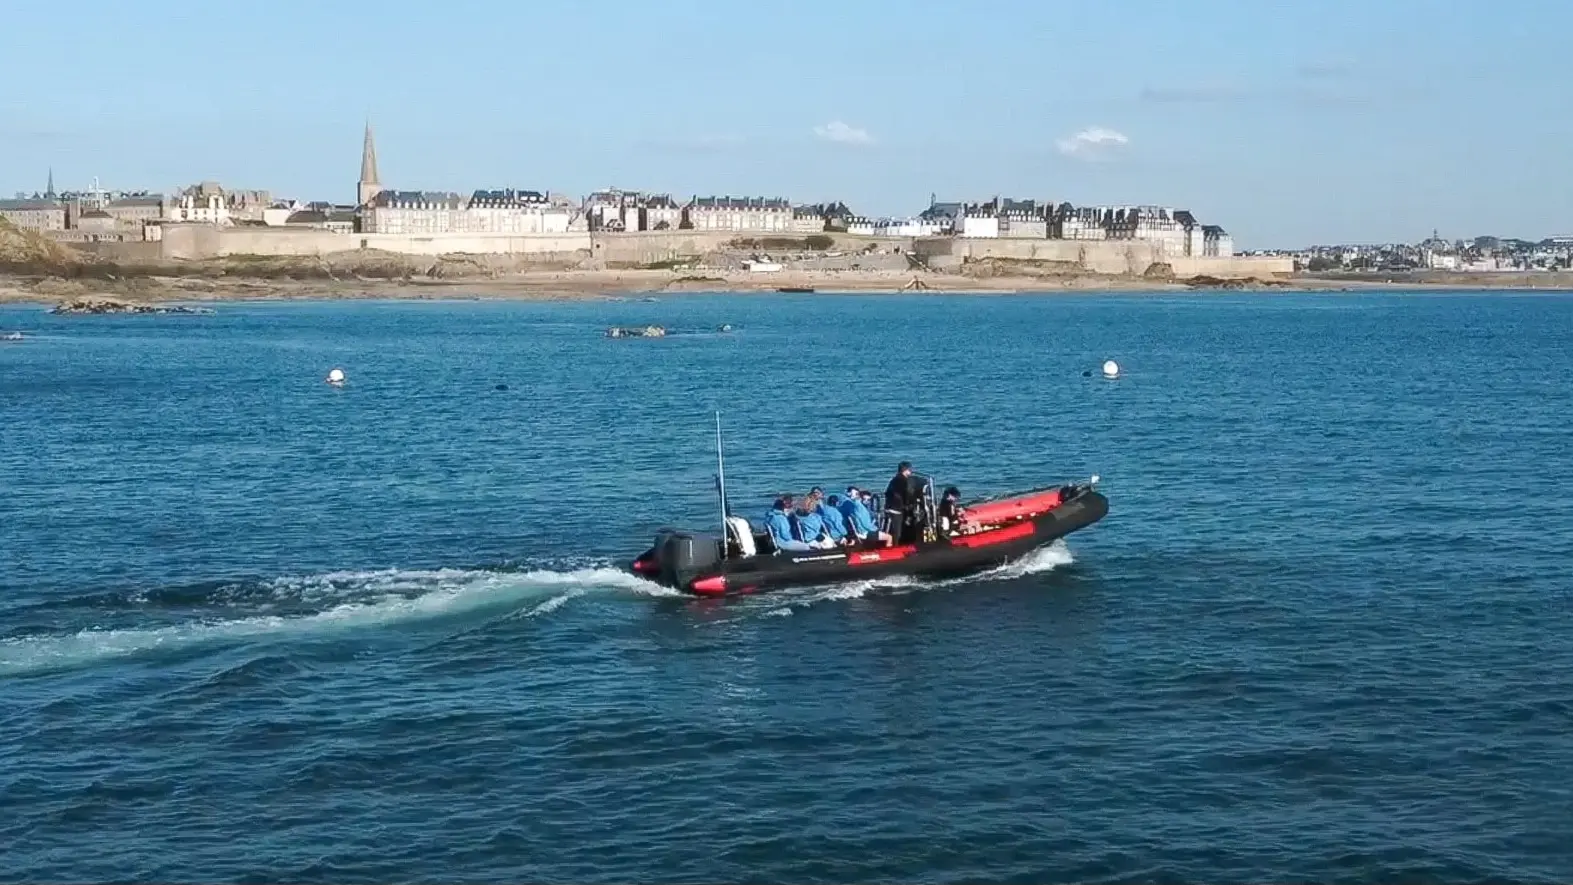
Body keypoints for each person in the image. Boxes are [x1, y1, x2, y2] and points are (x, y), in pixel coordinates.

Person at [884, 461, 926, 545]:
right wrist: (909, 504)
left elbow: (888, 493)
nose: (911, 472)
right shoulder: (903, 481)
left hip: (888, 506)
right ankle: (896, 546)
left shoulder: (894, 479)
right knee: (897, 532)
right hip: (896, 509)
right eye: (910, 470)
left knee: (893, 529)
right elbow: (905, 495)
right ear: (906, 470)